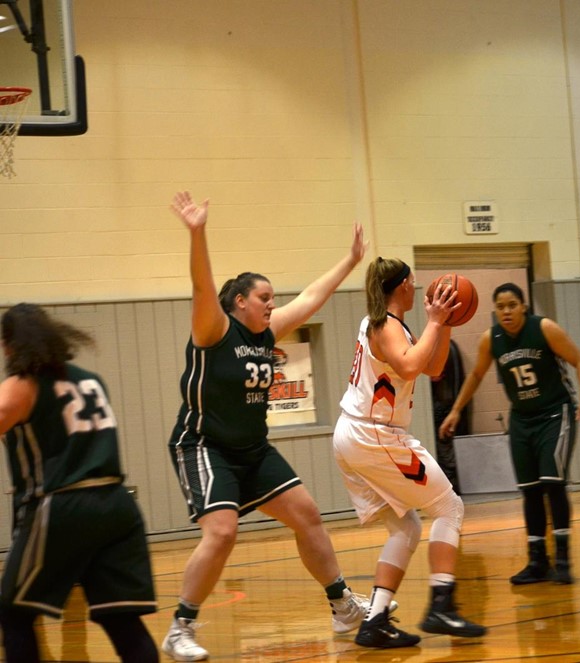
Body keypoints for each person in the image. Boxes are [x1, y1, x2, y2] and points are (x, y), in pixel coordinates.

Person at [162, 191, 374, 661]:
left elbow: (312, 298)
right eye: (263, 297)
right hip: (204, 445)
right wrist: (198, 233)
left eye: (272, 298)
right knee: (221, 532)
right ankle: (180, 628)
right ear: (240, 301)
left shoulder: (267, 331)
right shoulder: (214, 328)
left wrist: (350, 260)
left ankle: (342, 606)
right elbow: (201, 287)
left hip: (252, 449)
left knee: (308, 514)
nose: (272, 304)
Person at [333, 257, 488, 648]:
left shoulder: (388, 325)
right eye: (412, 281)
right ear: (402, 285)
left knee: (407, 526)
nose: (417, 287)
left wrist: (446, 322)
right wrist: (434, 322)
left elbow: (432, 367)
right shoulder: (385, 325)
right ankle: (441, 605)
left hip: (357, 435)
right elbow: (406, 367)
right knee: (449, 507)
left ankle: (375, 621)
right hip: (375, 437)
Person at [0, 304, 158, 662]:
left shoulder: (21, 385)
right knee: (122, 621)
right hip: (117, 506)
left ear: (9, 345)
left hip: (64, 507)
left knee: (13, 612)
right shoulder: (90, 379)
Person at [439, 283, 580, 585]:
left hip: (555, 413)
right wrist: (456, 410)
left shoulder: (545, 329)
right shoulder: (491, 339)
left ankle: (562, 558)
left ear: (523, 306)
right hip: (522, 419)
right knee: (531, 489)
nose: (507, 311)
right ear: (495, 310)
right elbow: (475, 376)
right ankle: (537, 561)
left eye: (512, 305)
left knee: (553, 483)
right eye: (501, 307)